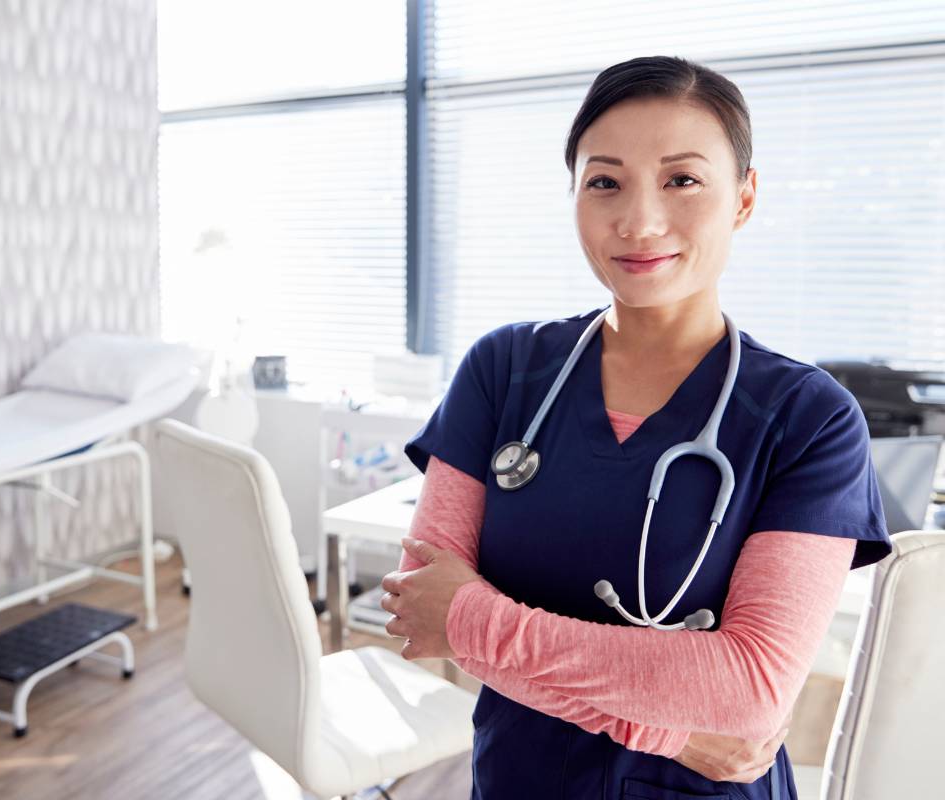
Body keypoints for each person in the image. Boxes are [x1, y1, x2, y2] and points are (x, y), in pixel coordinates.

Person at [379, 55, 891, 800]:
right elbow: (424, 614)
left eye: (682, 180)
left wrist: (473, 618)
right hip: (521, 778)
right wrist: (675, 730)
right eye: (604, 182)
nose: (639, 221)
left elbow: (749, 691)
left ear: (744, 198)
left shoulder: (809, 419)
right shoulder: (505, 370)